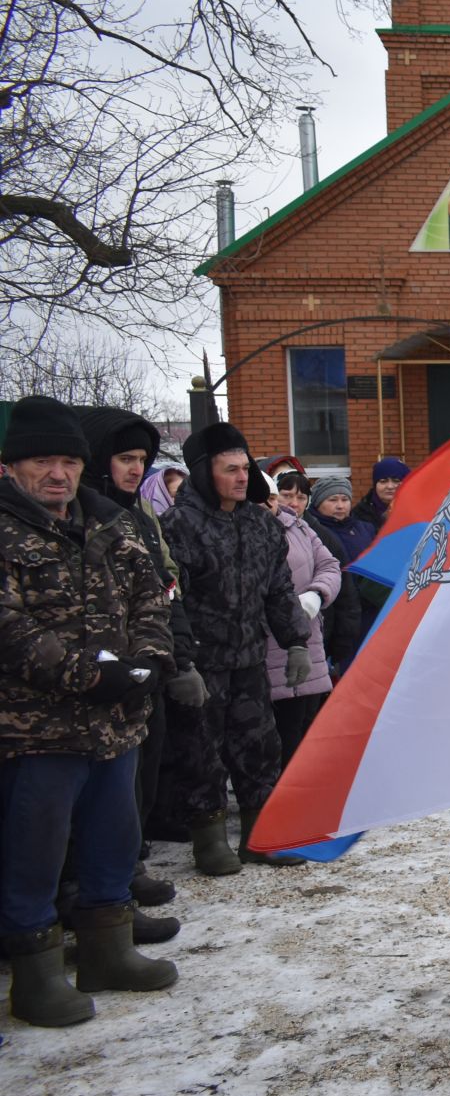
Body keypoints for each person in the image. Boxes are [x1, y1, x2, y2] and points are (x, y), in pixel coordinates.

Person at [1, 396, 179, 1026]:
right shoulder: (6, 531)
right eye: (42, 461)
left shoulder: (108, 526)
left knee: (116, 836)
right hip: (36, 731)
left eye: (68, 461)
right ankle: (36, 973)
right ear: (12, 468)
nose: (58, 474)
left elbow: (150, 598)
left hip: (116, 722)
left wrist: (151, 660)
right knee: (36, 852)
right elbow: (9, 626)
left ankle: (109, 949)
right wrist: (91, 673)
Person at [160, 423, 312, 875]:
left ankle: (259, 836)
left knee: (259, 746)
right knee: (201, 752)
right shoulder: (179, 525)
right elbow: (171, 599)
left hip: (249, 657)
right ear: (206, 473)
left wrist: (295, 641)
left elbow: (279, 589)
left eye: (246, 469)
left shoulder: (259, 523)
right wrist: (180, 662)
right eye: (231, 470)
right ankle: (208, 840)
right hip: (202, 663)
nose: (243, 478)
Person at [76, 406, 204, 922]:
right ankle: (95, 897)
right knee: (99, 796)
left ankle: (123, 873)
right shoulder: (92, 513)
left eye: (142, 459)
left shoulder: (139, 513)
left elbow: (163, 586)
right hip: (93, 676)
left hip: (144, 667)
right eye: (124, 458)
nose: (135, 469)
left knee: (140, 779)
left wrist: (170, 655)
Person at [268, 473, 340, 780]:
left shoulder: (299, 526)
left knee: (306, 732)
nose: (286, 503)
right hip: (271, 648)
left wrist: (316, 594)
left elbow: (330, 565)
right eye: (281, 495)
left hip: (309, 641)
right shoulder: (249, 530)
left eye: (273, 498)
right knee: (281, 740)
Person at [300, 479, 364, 678]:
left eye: (344, 499)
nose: (340, 505)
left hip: (357, 613)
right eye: (333, 499)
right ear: (317, 503)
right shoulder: (318, 533)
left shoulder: (363, 529)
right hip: (325, 617)